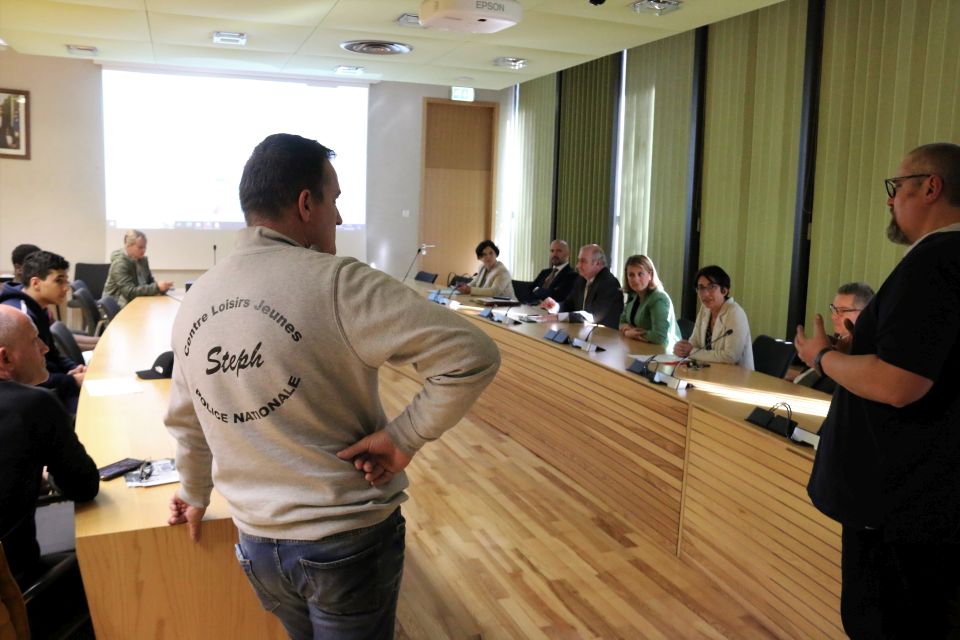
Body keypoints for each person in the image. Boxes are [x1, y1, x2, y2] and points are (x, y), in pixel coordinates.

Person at [164, 133, 500, 640]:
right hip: (344, 540)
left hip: (256, 542)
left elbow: (187, 422)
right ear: (305, 203)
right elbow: (472, 355)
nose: (339, 219)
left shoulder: (196, 298)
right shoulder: (339, 282)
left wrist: (193, 493)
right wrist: (402, 437)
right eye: (336, 200)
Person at [795, 142, 960, 638]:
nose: (890, 200)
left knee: (883, 623)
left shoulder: (934, 264)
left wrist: (824, 357)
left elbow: (897, 383)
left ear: (931, 187)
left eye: (897, 186)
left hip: (899, 504)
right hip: (928, 498)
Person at [0, 305, 99, 586]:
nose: (45, 348)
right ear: (5, 358)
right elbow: (84, 488)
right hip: (16, 589)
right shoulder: (33, 405)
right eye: (35, 341)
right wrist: (46, 475)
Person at [0, 250, 85, 412]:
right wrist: (72, 381)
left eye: (66, 281)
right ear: (36, 283)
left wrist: (75, 368)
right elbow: (23, 379)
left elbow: (52, 354)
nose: (66, 288)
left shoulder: (40, 308)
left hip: (53, 385)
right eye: (59, 281)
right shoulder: (21, 317)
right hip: (33, 400)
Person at [794, 282, 874, 393]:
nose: (834, 316)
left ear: (865, 313)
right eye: (834, 309)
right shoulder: (830, 344)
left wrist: (821, 357)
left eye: (842, 310)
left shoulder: (867, 357)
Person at [673, 265, 753, 369]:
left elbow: (731, 357)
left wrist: (691, 351)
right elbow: (694, 343)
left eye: (711, 287)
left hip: (736, 378)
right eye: (701, 288)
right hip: (709, 372)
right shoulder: (705, 309)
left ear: (724, 290)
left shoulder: (735, 312)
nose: (705, 294)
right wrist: (682, 348)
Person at [540, 244, 624, 328]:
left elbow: (592, 316)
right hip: (583, 332)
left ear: (598, 263)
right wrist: (555, 306)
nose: (578, 266)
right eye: (579, 261)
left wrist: (558, 317)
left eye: (583, 261)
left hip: (604, 336)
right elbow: (570, 305)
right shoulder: (581, 280)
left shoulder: (609, 283)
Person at [618, 254, 680, 349]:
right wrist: (627, 332)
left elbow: (659, 336)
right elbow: (621, 322)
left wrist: (632, 333)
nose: (635, 279)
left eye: (640, 274)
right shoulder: (634, 296)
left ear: (650, 275)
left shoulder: (659, 298)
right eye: (631, 275)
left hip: (665, 352)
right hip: (640, 348)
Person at [104, 229, 173, 306]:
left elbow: (149, 282)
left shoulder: (143, 260)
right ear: (128, 246)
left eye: (145, 247)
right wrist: (157, 287)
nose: (144, 250)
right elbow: (129, 292)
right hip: (118, 306)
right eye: (140, 247)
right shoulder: (120, 264)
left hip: (137, 302)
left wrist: (161, 288)